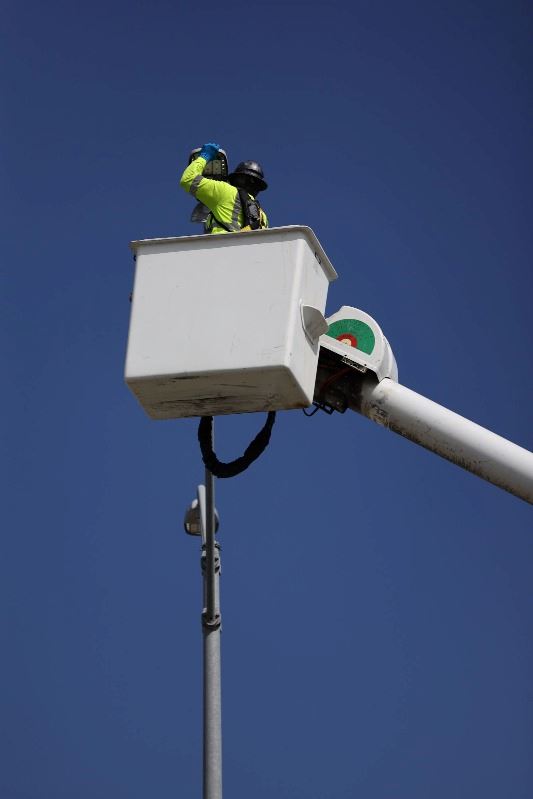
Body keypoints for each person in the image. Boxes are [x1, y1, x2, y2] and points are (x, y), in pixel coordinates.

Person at [180, 142, 269, 234]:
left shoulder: (226, 191)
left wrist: (204, 157)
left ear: (236, 179)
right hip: (241, 243)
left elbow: (188, 179)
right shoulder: (262, 216)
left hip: (220, 242)